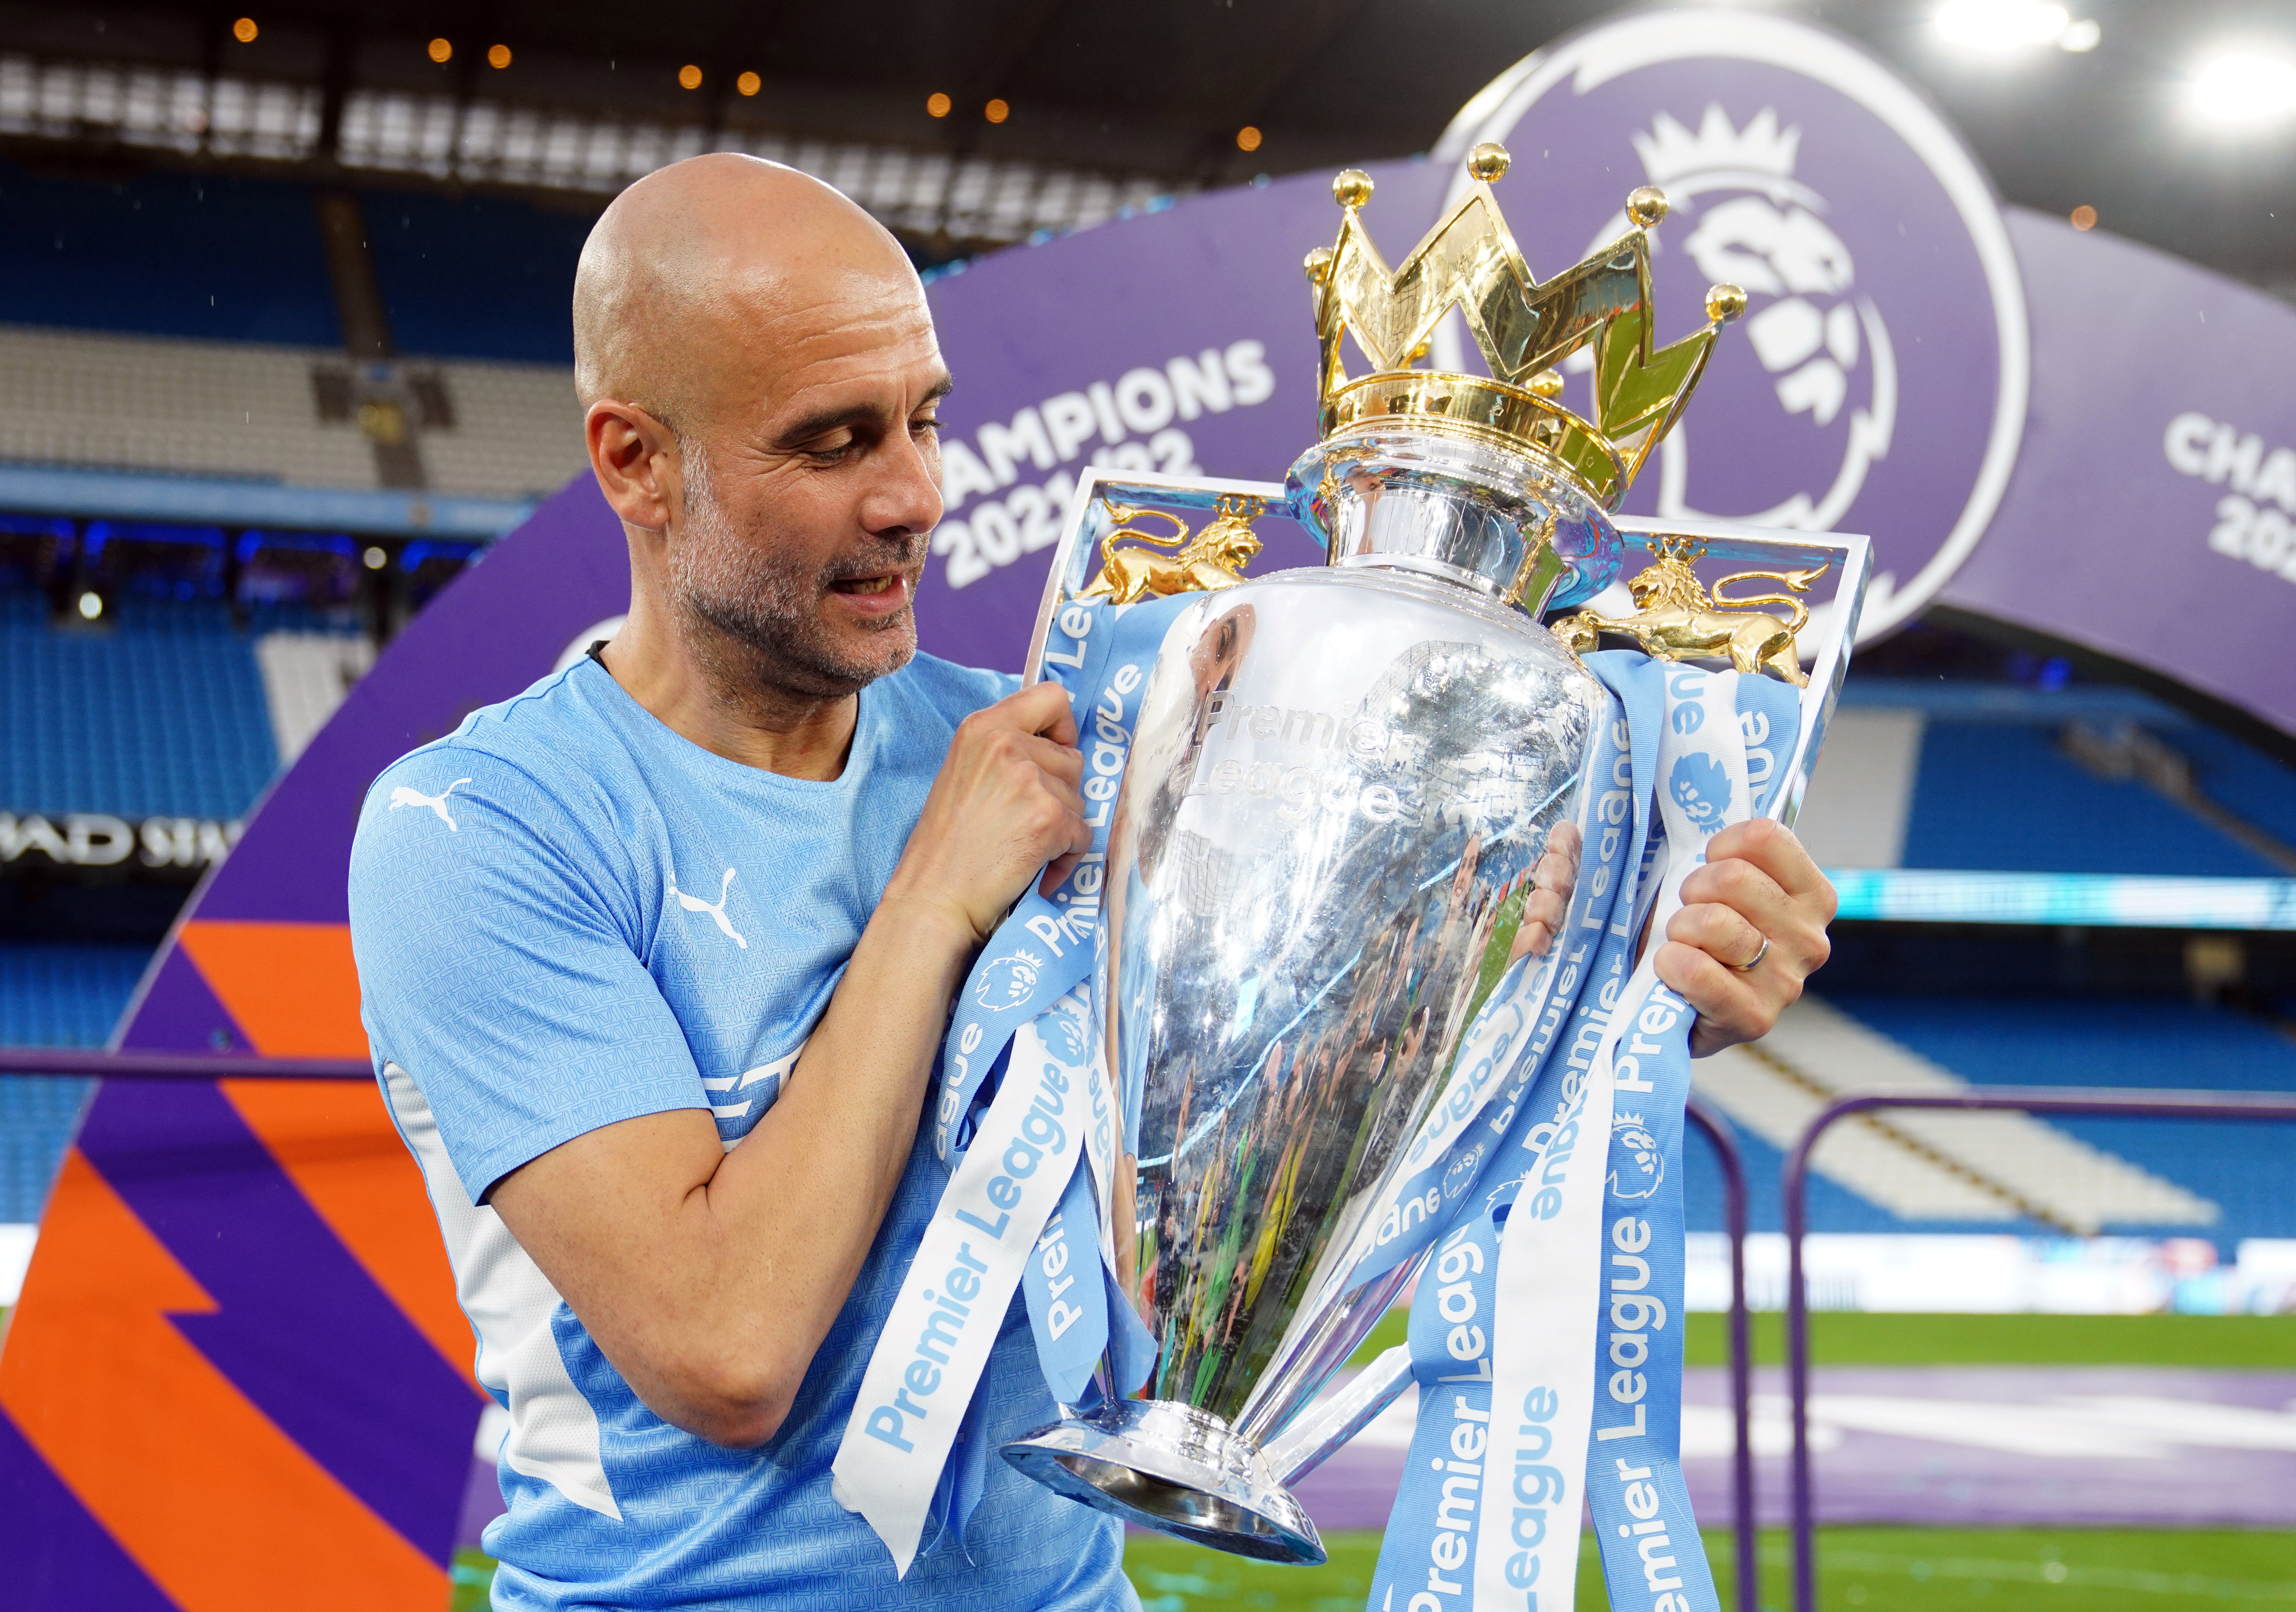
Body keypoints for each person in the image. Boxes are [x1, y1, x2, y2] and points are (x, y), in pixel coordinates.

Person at [347, 153, 1836, 1610]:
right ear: (635, 462)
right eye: (831, 443)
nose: (914, 494)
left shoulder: (1061, 741)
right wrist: (930, 903)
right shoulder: (481, 830)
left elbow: (1299, 1082)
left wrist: (1609, 977)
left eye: (924, 422)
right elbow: (724, 1352)